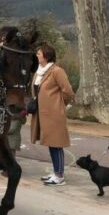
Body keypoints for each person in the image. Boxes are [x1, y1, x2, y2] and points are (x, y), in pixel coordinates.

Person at [30, 43, 75, 186]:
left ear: (46, 55)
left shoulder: (57, 71)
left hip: (54, 114)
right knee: (50, 143)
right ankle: (56, 172)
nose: (37, 55)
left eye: (39, 53)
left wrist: (60, 105)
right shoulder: (39, 72)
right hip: (42, 114)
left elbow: (68, 91)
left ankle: (60, 176)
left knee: (56, 144)